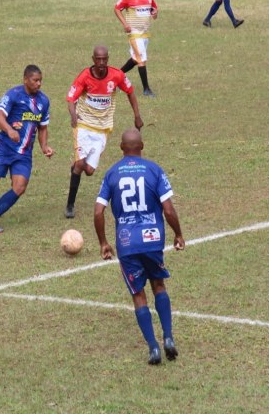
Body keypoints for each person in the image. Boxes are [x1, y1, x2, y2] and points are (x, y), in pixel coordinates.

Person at [94, 128, 185, 365]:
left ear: (122, 148)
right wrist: (178, 234)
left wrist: (103, 242)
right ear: (141, 146)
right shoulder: (154, 170)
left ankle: (153, 348)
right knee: (159, 285)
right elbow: (168, 209)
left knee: (138, 294)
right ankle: (168, 337)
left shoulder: (112, 173)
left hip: (127, 243)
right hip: (152, 239)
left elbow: (98, 211)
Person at [0, 65, 54, 233]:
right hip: (5, 149)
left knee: (20, 187)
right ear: (25, 79)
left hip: (24, 155)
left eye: (40, 81)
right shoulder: (13, 95)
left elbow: (42, 127)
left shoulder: (44, 101)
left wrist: (44, 146)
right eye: (35, 80)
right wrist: (9, 130)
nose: (39, 84)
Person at [65, 46, 143, 219]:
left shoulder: (116, 76)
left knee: (90, 170)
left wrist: (137, 116)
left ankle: (77, 165)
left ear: (108, 59)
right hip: (83, 125)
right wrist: (73, 115)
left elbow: (130, 92)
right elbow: (71, 99)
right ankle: (70, 205)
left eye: (104, 59)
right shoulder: (84, 76)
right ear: (93, 59)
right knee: (80, 165)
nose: (101, 63)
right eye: (98, 59)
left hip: (102, 128)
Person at [115, 0, 158, 97]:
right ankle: (146, 89)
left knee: (135, 58)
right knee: (141, 59)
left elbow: (154, 10)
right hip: (134, 33)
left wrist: (155, 14)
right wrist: (125, 24)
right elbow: (117, 8)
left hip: (145, 33)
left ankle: (117, 76)